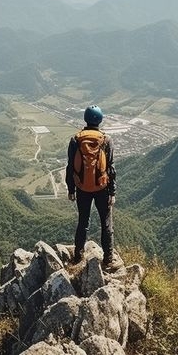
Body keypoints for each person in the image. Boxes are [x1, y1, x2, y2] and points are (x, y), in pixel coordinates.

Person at [66, 105, 118, 269]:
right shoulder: (106, 140)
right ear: (100, 120)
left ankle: (77, 257)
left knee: (83, 222)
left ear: (85, 119)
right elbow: (110, 168)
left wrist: (71, 189)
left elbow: (70, 167)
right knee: (106, 223)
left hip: (82, 188)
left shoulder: (76, 139)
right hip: (102, 188)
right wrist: (112, 192)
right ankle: (108, 259)